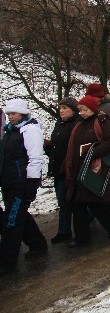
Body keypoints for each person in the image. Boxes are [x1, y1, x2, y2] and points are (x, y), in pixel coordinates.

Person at [64, 96, 110, 247]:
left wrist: (93, 152)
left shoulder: (101, 122)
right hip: (79, 168)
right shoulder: (78, 125)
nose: (82, 113)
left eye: (85, 110)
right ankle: (81, 237)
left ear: (93, 110)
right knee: (78, 203)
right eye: (80, 110)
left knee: (94, 202)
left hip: (94, 169)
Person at [0, 99, 47, 273]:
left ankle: (7, 261)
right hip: (8, 182)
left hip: (21, 183)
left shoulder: (30, 130)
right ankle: (38, 243)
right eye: (9, 114)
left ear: (22, 113)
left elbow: (35, 158)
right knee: (18, 214)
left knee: (12, 220)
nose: (10, 117)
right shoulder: (10, 132)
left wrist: (32, 183)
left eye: (14, 114)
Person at [45, 97, 79, 243]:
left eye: (65, 108)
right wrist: (48, 147)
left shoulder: (76, 125)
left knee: (65, 201)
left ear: (73, 110)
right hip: (57, 168)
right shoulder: (59, 124)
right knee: (63, 200)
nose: (62, 111)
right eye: (60, 108)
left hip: (67, 170)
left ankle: (64, 231)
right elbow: (57, 147)